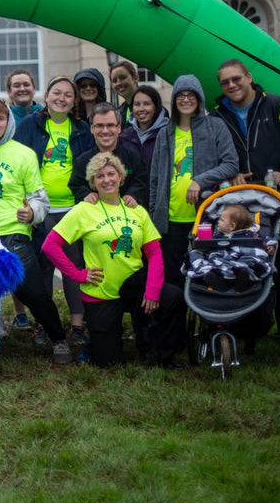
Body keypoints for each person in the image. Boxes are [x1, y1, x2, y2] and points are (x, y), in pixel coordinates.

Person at [41, 152, 186, 368]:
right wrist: (77, 274)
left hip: (134, 285)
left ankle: (162, 353)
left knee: (174, 297)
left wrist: (153, 290)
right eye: (99, 176)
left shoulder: (136, 210)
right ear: (92, 182)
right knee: (108, 362)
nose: (106, 180)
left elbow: (155, 253)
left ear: (120, 177)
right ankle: (103, 341)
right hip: (101, 291)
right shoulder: (83, 210)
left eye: (111, 174)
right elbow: (49, 245)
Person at [213, 59, 280, 327]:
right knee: (241, 262)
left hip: (278, 199)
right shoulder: (217, 115)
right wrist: (228, 172)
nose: (232, 85)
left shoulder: (279, 105)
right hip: (238, 203)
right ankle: (249, 321)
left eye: (236, 79)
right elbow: (213, 154)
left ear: (249, 77)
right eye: (225, 82)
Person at [0, 97, 71, 363]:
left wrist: (32, 213)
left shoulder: (23, 154)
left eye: (0, 118)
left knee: (34, 292)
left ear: (8, 122)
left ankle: (58, 338)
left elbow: (40, 200)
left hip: (14, 232)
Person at [13, 76, 95, 344]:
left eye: (68, 95)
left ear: (74, 101)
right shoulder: (29, 125)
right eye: (56, 93)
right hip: (40, 210)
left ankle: (77, 325)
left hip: (73, 208)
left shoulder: (82, 129)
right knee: (43, 267)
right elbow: (18, 165)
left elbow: (89, 167)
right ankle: (44, 325)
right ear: (46, 96)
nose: (62, 98)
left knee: (73, 267)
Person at [150, 74, 238, 285]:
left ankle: (207, 318)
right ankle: (177, 319)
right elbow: (155, 178)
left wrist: (199, 181)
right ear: (173, 100)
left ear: (199, 98)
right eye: (181, 95)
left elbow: (231, 164)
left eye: (191, 94)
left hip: (206, 218)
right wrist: (155, 214)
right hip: (170, 222)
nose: (186, 99)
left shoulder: (215, 127)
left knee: (206, 277)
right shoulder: (165, 133)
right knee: (173, 280)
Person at [69, 102, 148, 208]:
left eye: (110, 125)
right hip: (95, 217)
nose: (105, 131)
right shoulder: (82, 161)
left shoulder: (133, 157)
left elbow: (141, 182)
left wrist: (133, 195)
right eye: (100, 126)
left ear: (119, 128)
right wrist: (86, 194)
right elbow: (76, 184)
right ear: (92, 129)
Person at [118, 85, 169, 182]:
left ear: (156, 106)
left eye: (146, 104)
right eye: (137, 104)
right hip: (132, 195)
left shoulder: (167, 134)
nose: (141, 109)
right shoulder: (124, 137)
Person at [109, 60, 139, 125]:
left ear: (135, 78)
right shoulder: (120, 112)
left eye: (122, 78)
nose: (118, 83)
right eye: (114, 80)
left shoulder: (152, 108)